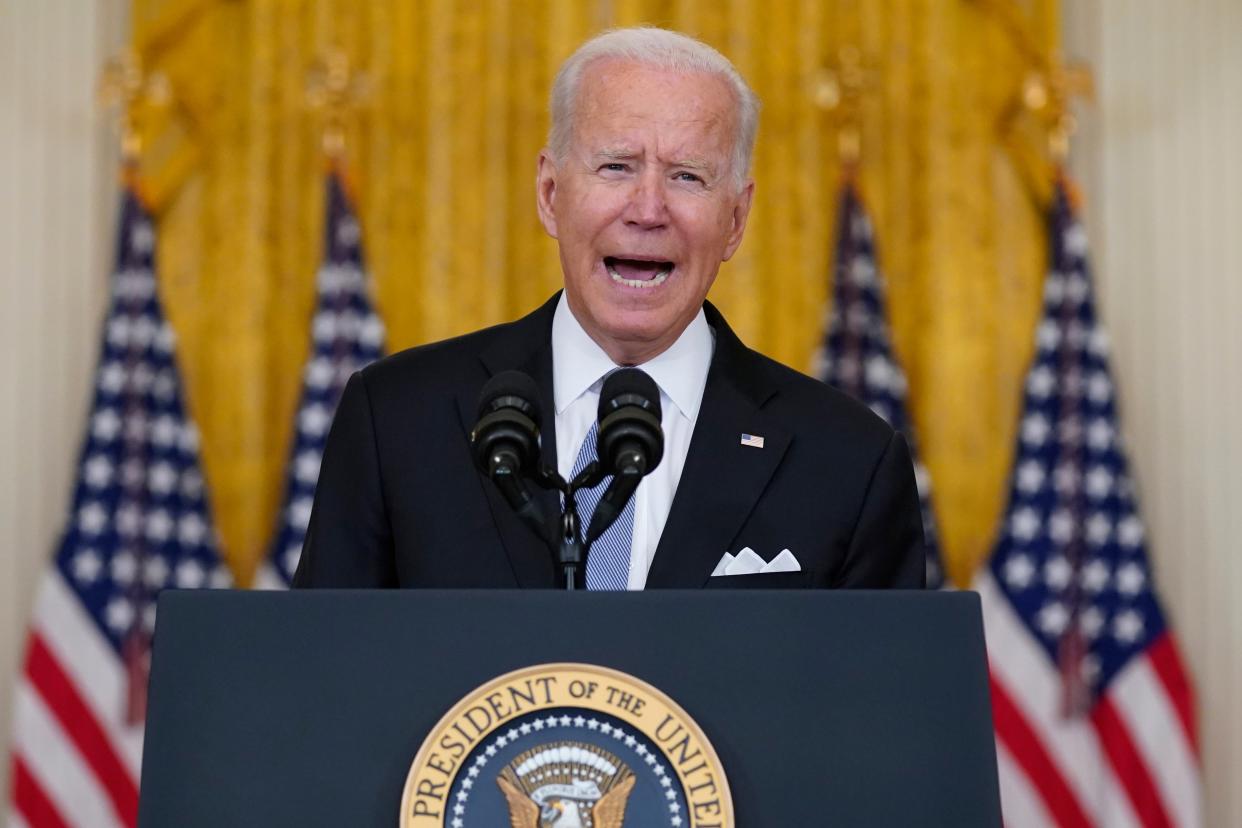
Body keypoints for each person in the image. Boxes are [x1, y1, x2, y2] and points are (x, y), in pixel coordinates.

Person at [293, 27, 925, 590]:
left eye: (687, 177)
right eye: (616, 166)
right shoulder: (398, 420)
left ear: (735, 219)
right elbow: (322, 684)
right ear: (549, 194)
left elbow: (881, 713)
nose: (647, 209)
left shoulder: (849, 461)